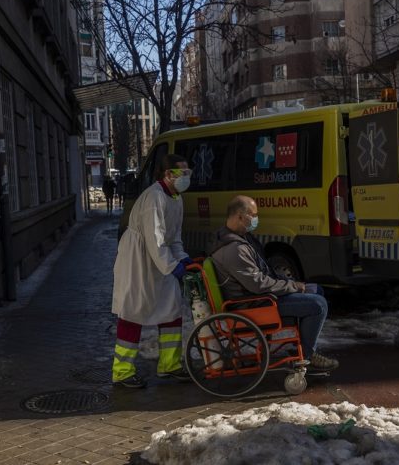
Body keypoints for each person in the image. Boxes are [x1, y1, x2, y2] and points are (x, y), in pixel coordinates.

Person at [210, 195, 338, 372]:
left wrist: (290, 283)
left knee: (317, 290)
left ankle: (304, 348)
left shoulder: (242, 239)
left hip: (260, 298)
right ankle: (306, 355)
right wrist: (293, 286)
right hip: (254, 305)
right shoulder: (234, 249)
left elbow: (264, 273)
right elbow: (258, 284)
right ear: (240, 216)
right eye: (253, 215)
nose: (256, 219)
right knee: (318, 304)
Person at [110, 154, 193, 388]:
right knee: (133, 312)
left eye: (189, 173)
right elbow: (155, 239)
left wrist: (183, 259)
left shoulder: (176, 198)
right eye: (182, 173)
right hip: (137, 260)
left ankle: (170, 364)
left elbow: (173, 236)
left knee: (172, 308)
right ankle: (122, 371)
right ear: (168, 175)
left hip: (158, 258)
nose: (186, 177)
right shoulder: (154, 198)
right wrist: (172, 266)